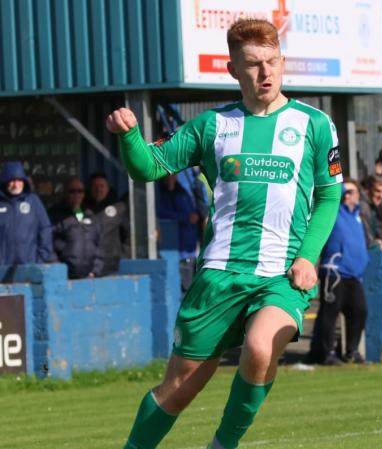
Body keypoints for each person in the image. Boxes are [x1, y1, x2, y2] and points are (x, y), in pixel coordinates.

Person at [106, 18, 342, 449]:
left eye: (272, 62)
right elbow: (148, 167)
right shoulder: (212, 126)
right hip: (218, 274)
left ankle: (223, 445)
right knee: (177, 390)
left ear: (283, 62)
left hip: (281, 274)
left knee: (259, 345)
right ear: (233, 70)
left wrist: (307, 256)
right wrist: (130, 136)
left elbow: (329, 196)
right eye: (252, 65)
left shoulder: (315, 125)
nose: (265, 73)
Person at [308, 178, 369, 365]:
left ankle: (351, 351)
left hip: (354, 275)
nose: (348, 195)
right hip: (334, 272)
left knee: (359, 311)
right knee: (329, 315)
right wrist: (343, 188)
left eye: (352, 192)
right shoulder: (334, 210)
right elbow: (325, 195)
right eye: (346, 192)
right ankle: (325, 353)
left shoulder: (358, 215)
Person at [0, 160, 53, 267]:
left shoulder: (34, 201)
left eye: (19, 180)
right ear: (5, 181)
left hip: (28, 268)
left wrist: (38, 261)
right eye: (12, 180)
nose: (16, 184)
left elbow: (45, 229)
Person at [48, 177, 104, 279]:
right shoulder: (56, 215)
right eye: (72, 191)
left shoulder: (90, 214)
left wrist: (95, 271)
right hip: (65, 277)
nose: (76, 195)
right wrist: (58, 269)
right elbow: (48, 243)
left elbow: (99, 244)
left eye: (80, 191)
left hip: (89, 278)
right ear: (65, 193)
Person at [156, 174, 203, 292]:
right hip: (176, 252)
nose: (171, 178)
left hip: (190, 251)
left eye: (173, 176)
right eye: (168, 176)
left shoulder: (183, 192)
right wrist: (186, 218)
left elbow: (194, 211)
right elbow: (162, 214)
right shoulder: (160, 194)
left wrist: (195, 216)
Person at [84, 172, 131, 275]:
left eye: (102, 186)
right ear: (89, 189)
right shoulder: (82, 209)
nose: (98, 190)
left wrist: (123, 256)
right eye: (95, 186)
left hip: (112, 266)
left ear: (108, 188)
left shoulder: (119, 208)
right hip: (89, 267)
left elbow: (129, 235)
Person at [359, 173, 382, 249]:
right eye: (377, 191)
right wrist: (376, 243)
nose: (381, 196)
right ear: (367, 188)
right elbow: (366, 240)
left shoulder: (372, 205)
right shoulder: (363, 207)